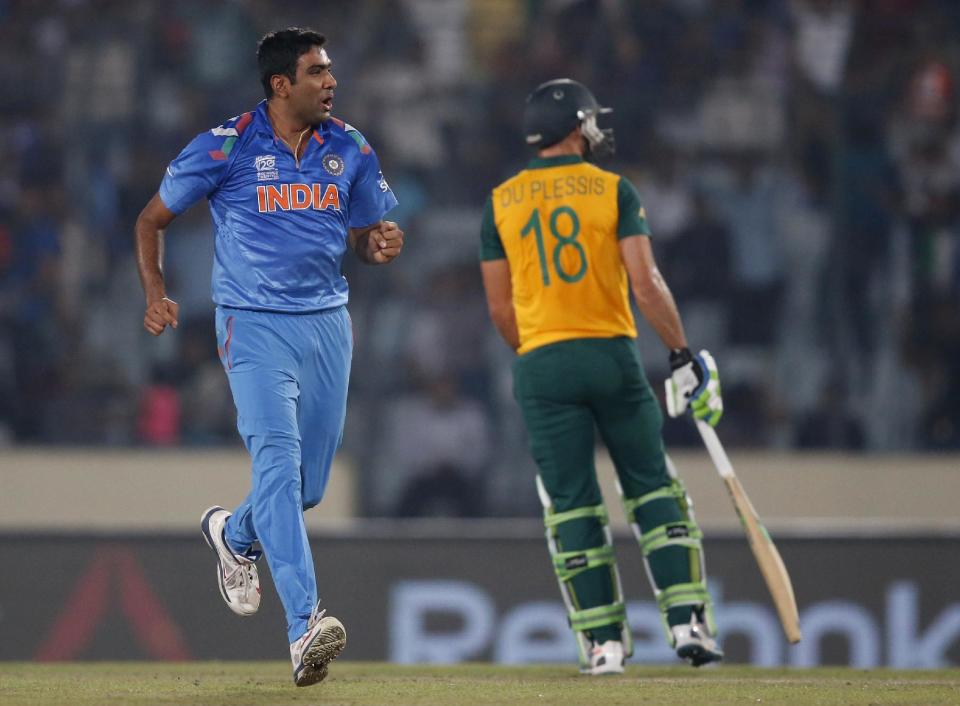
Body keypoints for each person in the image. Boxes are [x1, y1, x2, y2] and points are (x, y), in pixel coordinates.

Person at [134, 28, 403, 687]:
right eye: (317, 72)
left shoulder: (352, 147)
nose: (330, 82)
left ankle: (234, 534)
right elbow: (150, 219)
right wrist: (157, 292)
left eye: (330, 70)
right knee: (278, 466)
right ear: (281, 84)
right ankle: (305, 626)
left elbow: (365, 239)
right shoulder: (226, 145)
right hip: (251, 327)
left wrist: (378, 245)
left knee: (306, 486)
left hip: (327, 325)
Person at [479, 79, 723, 675]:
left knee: (571, 506)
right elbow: (647, 285)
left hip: (542, 362)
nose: (594, 130)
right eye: (589, 122)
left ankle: (603, 647)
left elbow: (500, 308)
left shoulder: (500, 201)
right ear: (575, 128)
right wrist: (681, 353)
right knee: (653, 488)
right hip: (611, 355)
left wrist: (536, 354)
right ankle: (687, 622)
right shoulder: (614, 190)